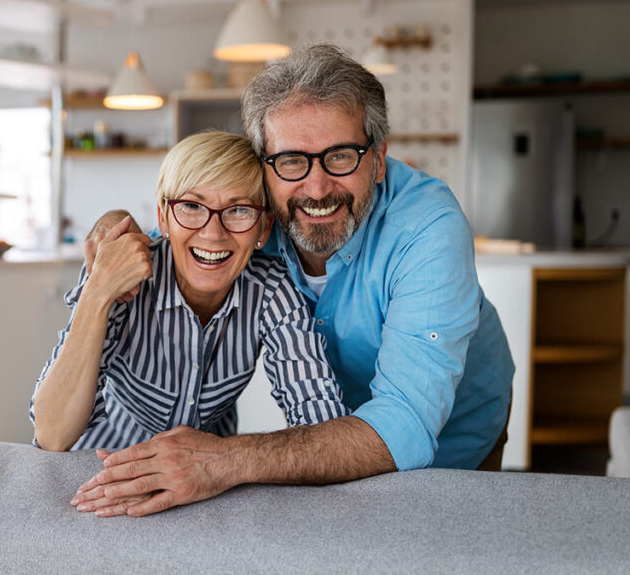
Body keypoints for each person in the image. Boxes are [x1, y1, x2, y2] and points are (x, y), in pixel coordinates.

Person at [71, 44, 515, 518]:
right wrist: (115, 225)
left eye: (341, 156)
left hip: (454, 435)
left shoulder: (428, 228)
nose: (317, 187)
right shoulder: (254, 209)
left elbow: (404, 428)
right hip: (331, 441)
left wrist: (224, 459)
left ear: (379, 158)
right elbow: (179, 230)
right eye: (291, 161)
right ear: (264, 165)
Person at [30, 131, 348, 462]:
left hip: (209, 477)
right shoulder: (123, 270)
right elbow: (51, 435)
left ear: (263, 228)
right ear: (164, 217)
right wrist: (97, 292)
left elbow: (322, 422)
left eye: (238, 210)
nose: (213, 234)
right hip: (101, 465)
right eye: (192, 206)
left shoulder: (269, 288)